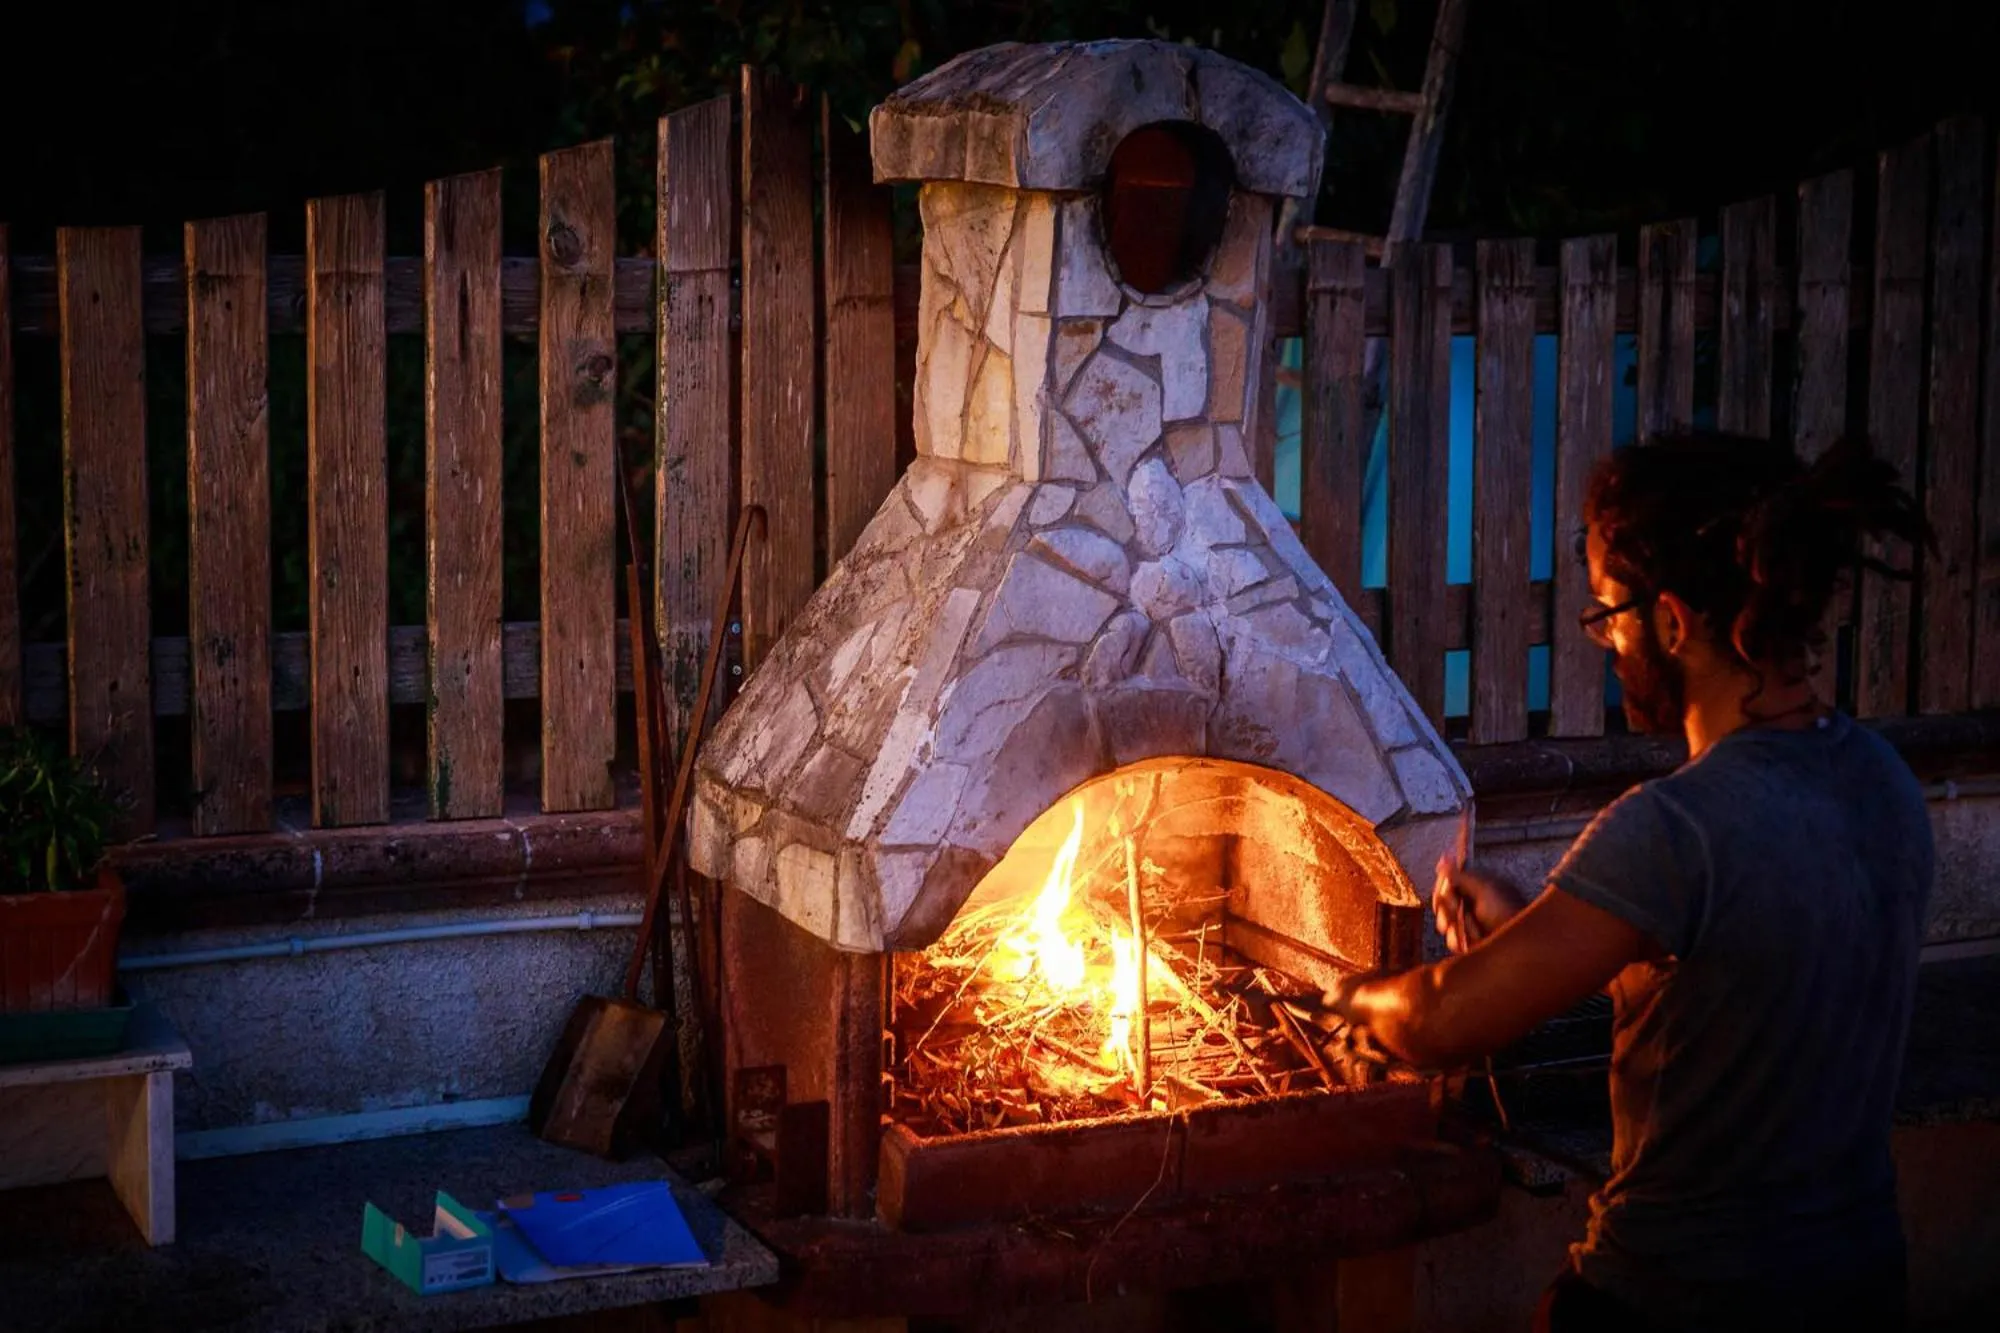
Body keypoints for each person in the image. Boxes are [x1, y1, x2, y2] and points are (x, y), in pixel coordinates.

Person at [1318, 431, 1936, 1331]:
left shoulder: (1676, 826)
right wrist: (1535, 926)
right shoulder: (1884, 780)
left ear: (1675, 622)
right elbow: (1733, 982)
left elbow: (1445, 1019)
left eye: (1611, 611)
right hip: (1859, 1290)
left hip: (1675, 1299)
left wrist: (1362, 999)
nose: (1604, 637)